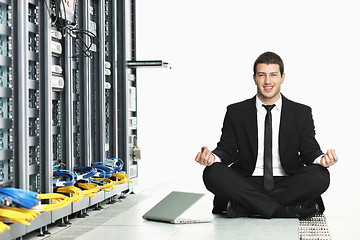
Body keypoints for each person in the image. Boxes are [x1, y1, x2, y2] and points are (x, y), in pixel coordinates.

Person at [195, 52, 338, 219]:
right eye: (262, 75)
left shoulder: (301, 112)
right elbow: (227, 149)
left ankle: (248, 207)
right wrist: (212, 157)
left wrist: (322, 159)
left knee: (320, 176)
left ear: (282, 77)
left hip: (288, 182)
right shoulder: (236, 111)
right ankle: (281, 211)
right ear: (254, 78)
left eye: (273, 75)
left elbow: (308, 150)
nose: (268, 81)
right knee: (212, 173)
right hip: (247, 181)